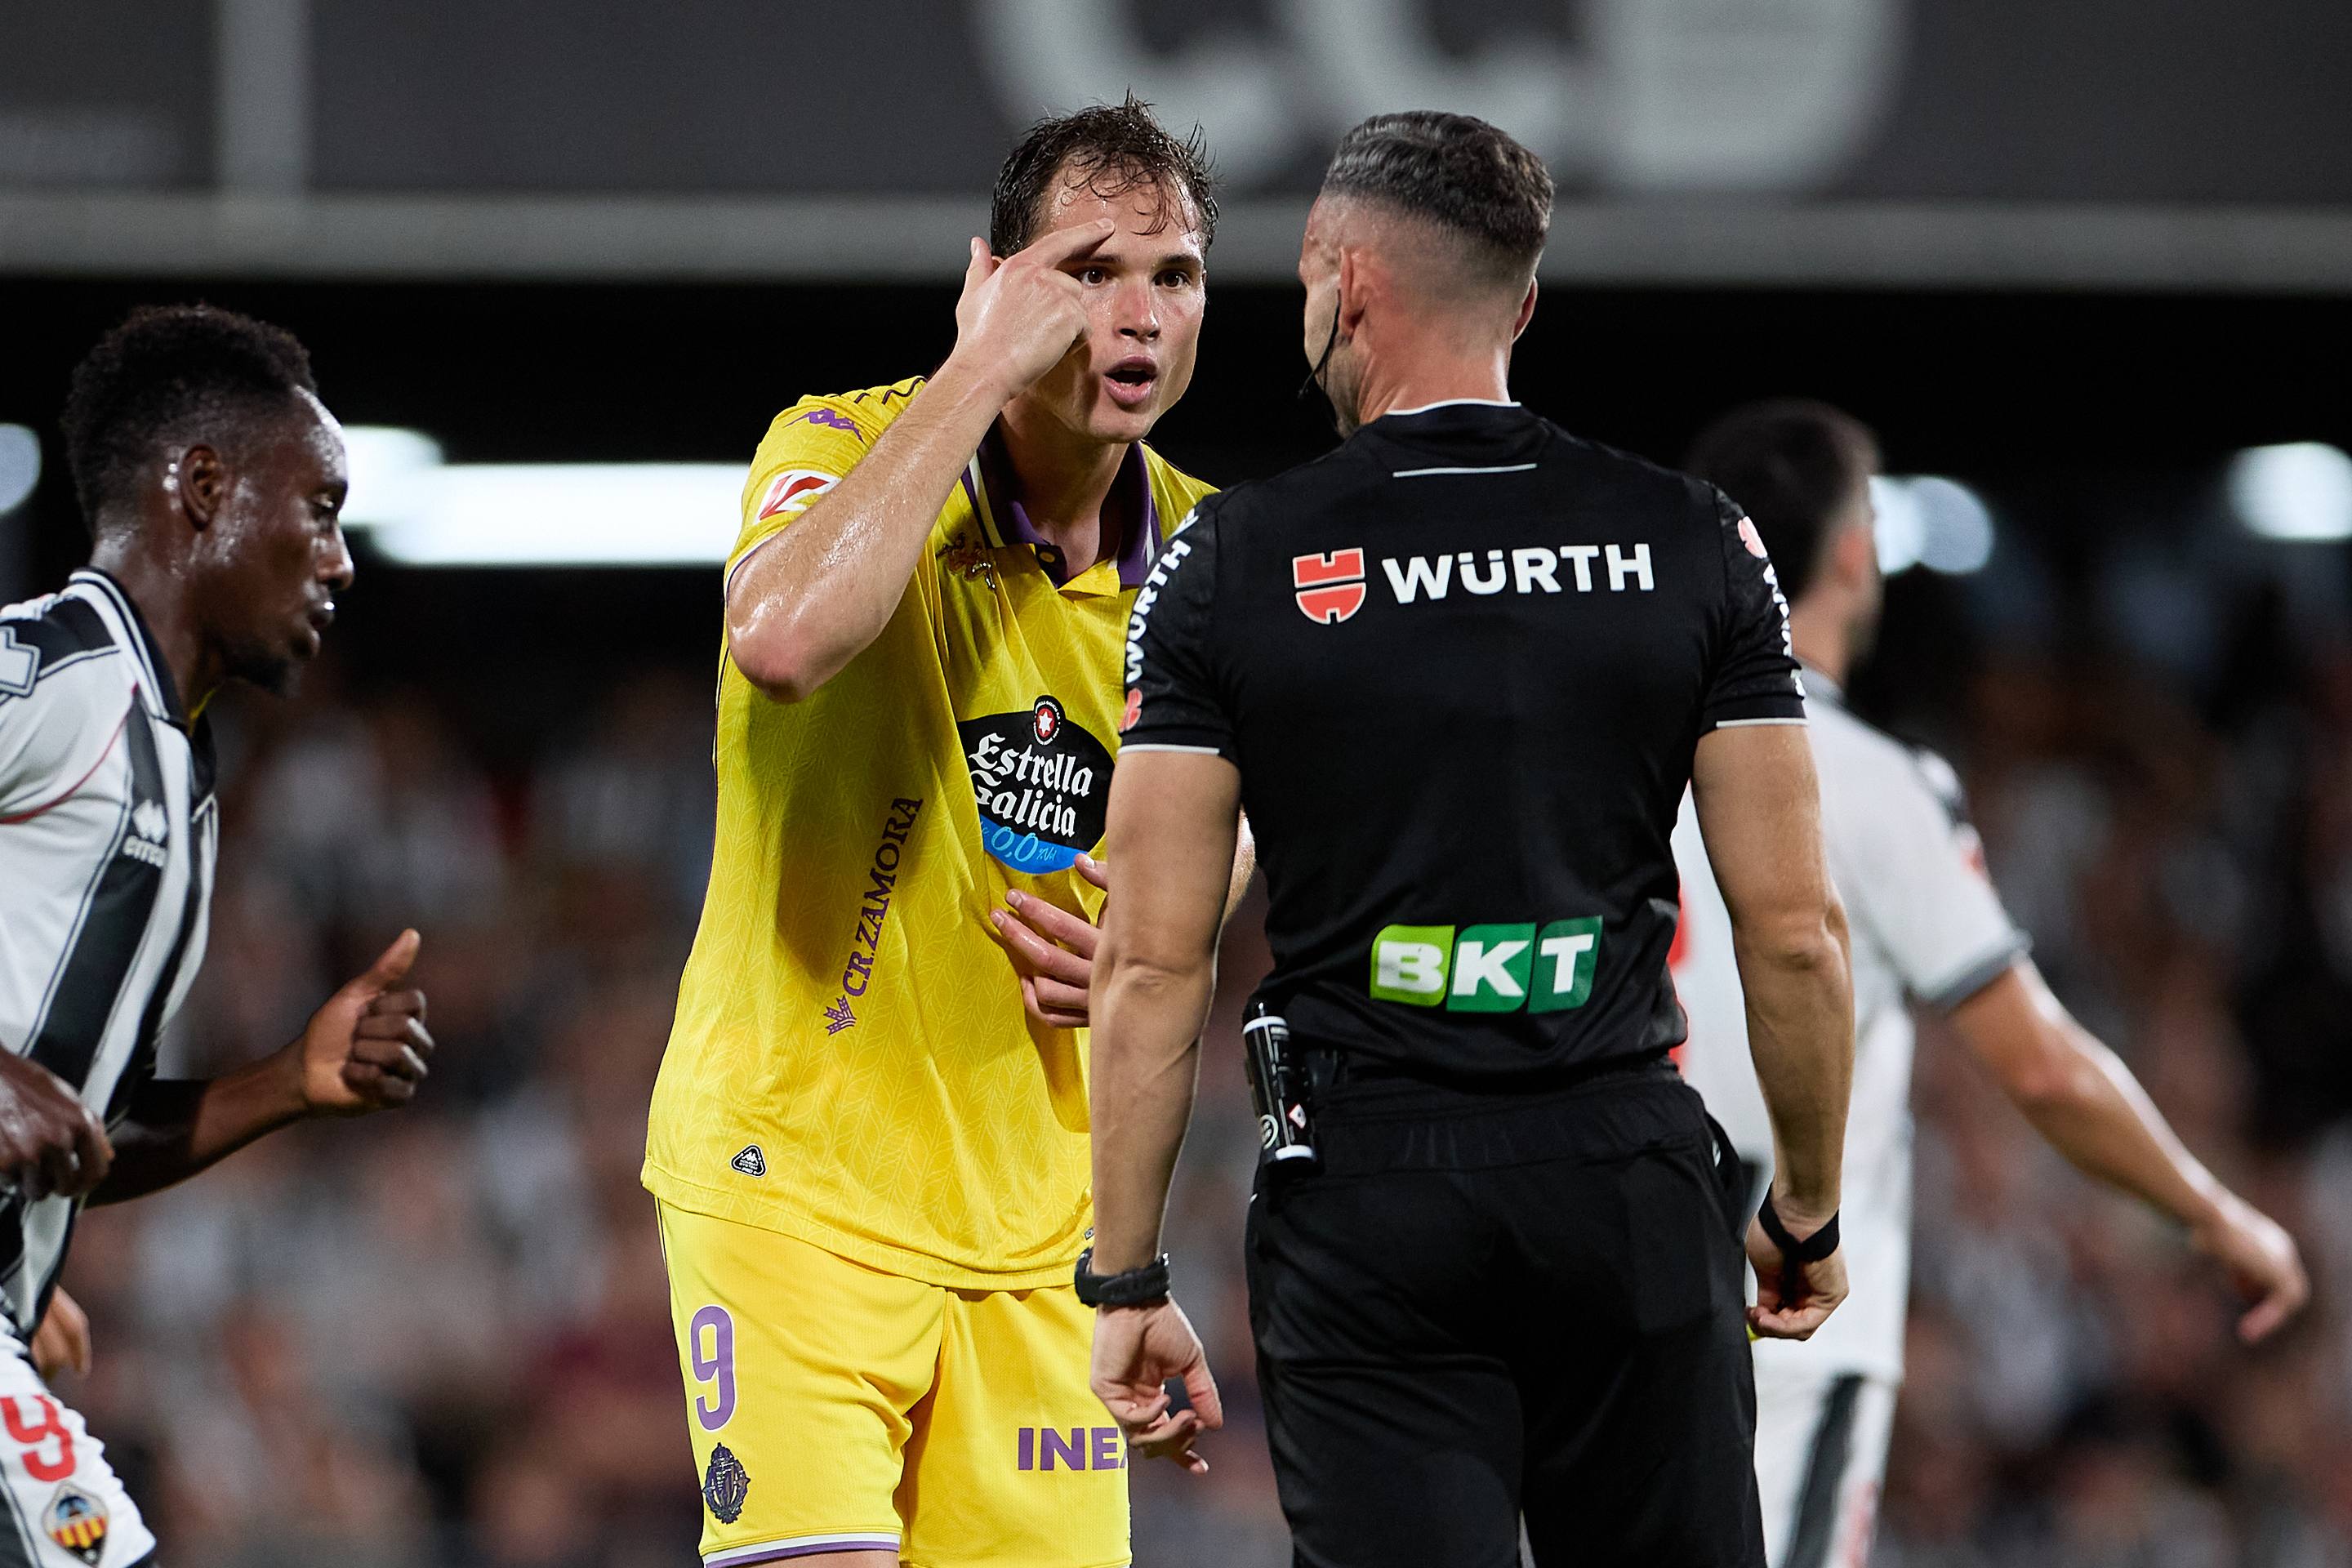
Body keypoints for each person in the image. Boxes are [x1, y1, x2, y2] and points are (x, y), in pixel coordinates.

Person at [1083, 111, 1858, 1568]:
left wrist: (1125, 1272)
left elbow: (1148, 953)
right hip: (1624, 1179)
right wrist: (1805, 1209)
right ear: (1524, 300)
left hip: (1368, 1205)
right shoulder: (1695, 538)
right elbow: (1796, 931)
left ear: (1342, 280)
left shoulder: (1230, 564)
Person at [641, 100, 1229, 1568]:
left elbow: (1252, 831)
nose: (1141, 315)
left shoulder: (1214, 559)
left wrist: (1159, 938)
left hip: (1046, 1248)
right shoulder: (842, 443)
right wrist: (974, 372)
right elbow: (779, 638)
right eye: (1090, 273)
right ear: (995, 281)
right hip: (796, 1196)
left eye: (1177, 274)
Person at [1668, 399, 2310, 1568]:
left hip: (1607, 1275)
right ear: (1853, 554)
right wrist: (2212, 1213)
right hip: (1782, 1302)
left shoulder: (1608, 752)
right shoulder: (1869, 778)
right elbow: (2045, 1065)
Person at [0, 303, 437, 1565]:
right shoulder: (58, 670)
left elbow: (88, 1132)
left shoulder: (175, 780)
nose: (341, 561)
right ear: (202, 487)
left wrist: (289, 1082)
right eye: (320, 509)